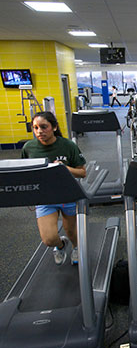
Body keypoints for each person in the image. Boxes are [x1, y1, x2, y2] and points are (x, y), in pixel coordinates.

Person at [21, 111, 87, 266]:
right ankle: (61, 245)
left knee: (71, 232)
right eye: (35, 128)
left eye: (44, 127)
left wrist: (64, 168)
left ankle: (77, 247)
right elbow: (24, 172)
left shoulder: (68, 146)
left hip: (67, 195)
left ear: (54, 127)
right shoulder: (29, 148)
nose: (39, 131)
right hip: (44, 197)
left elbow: (82, 173)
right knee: (49, 239)